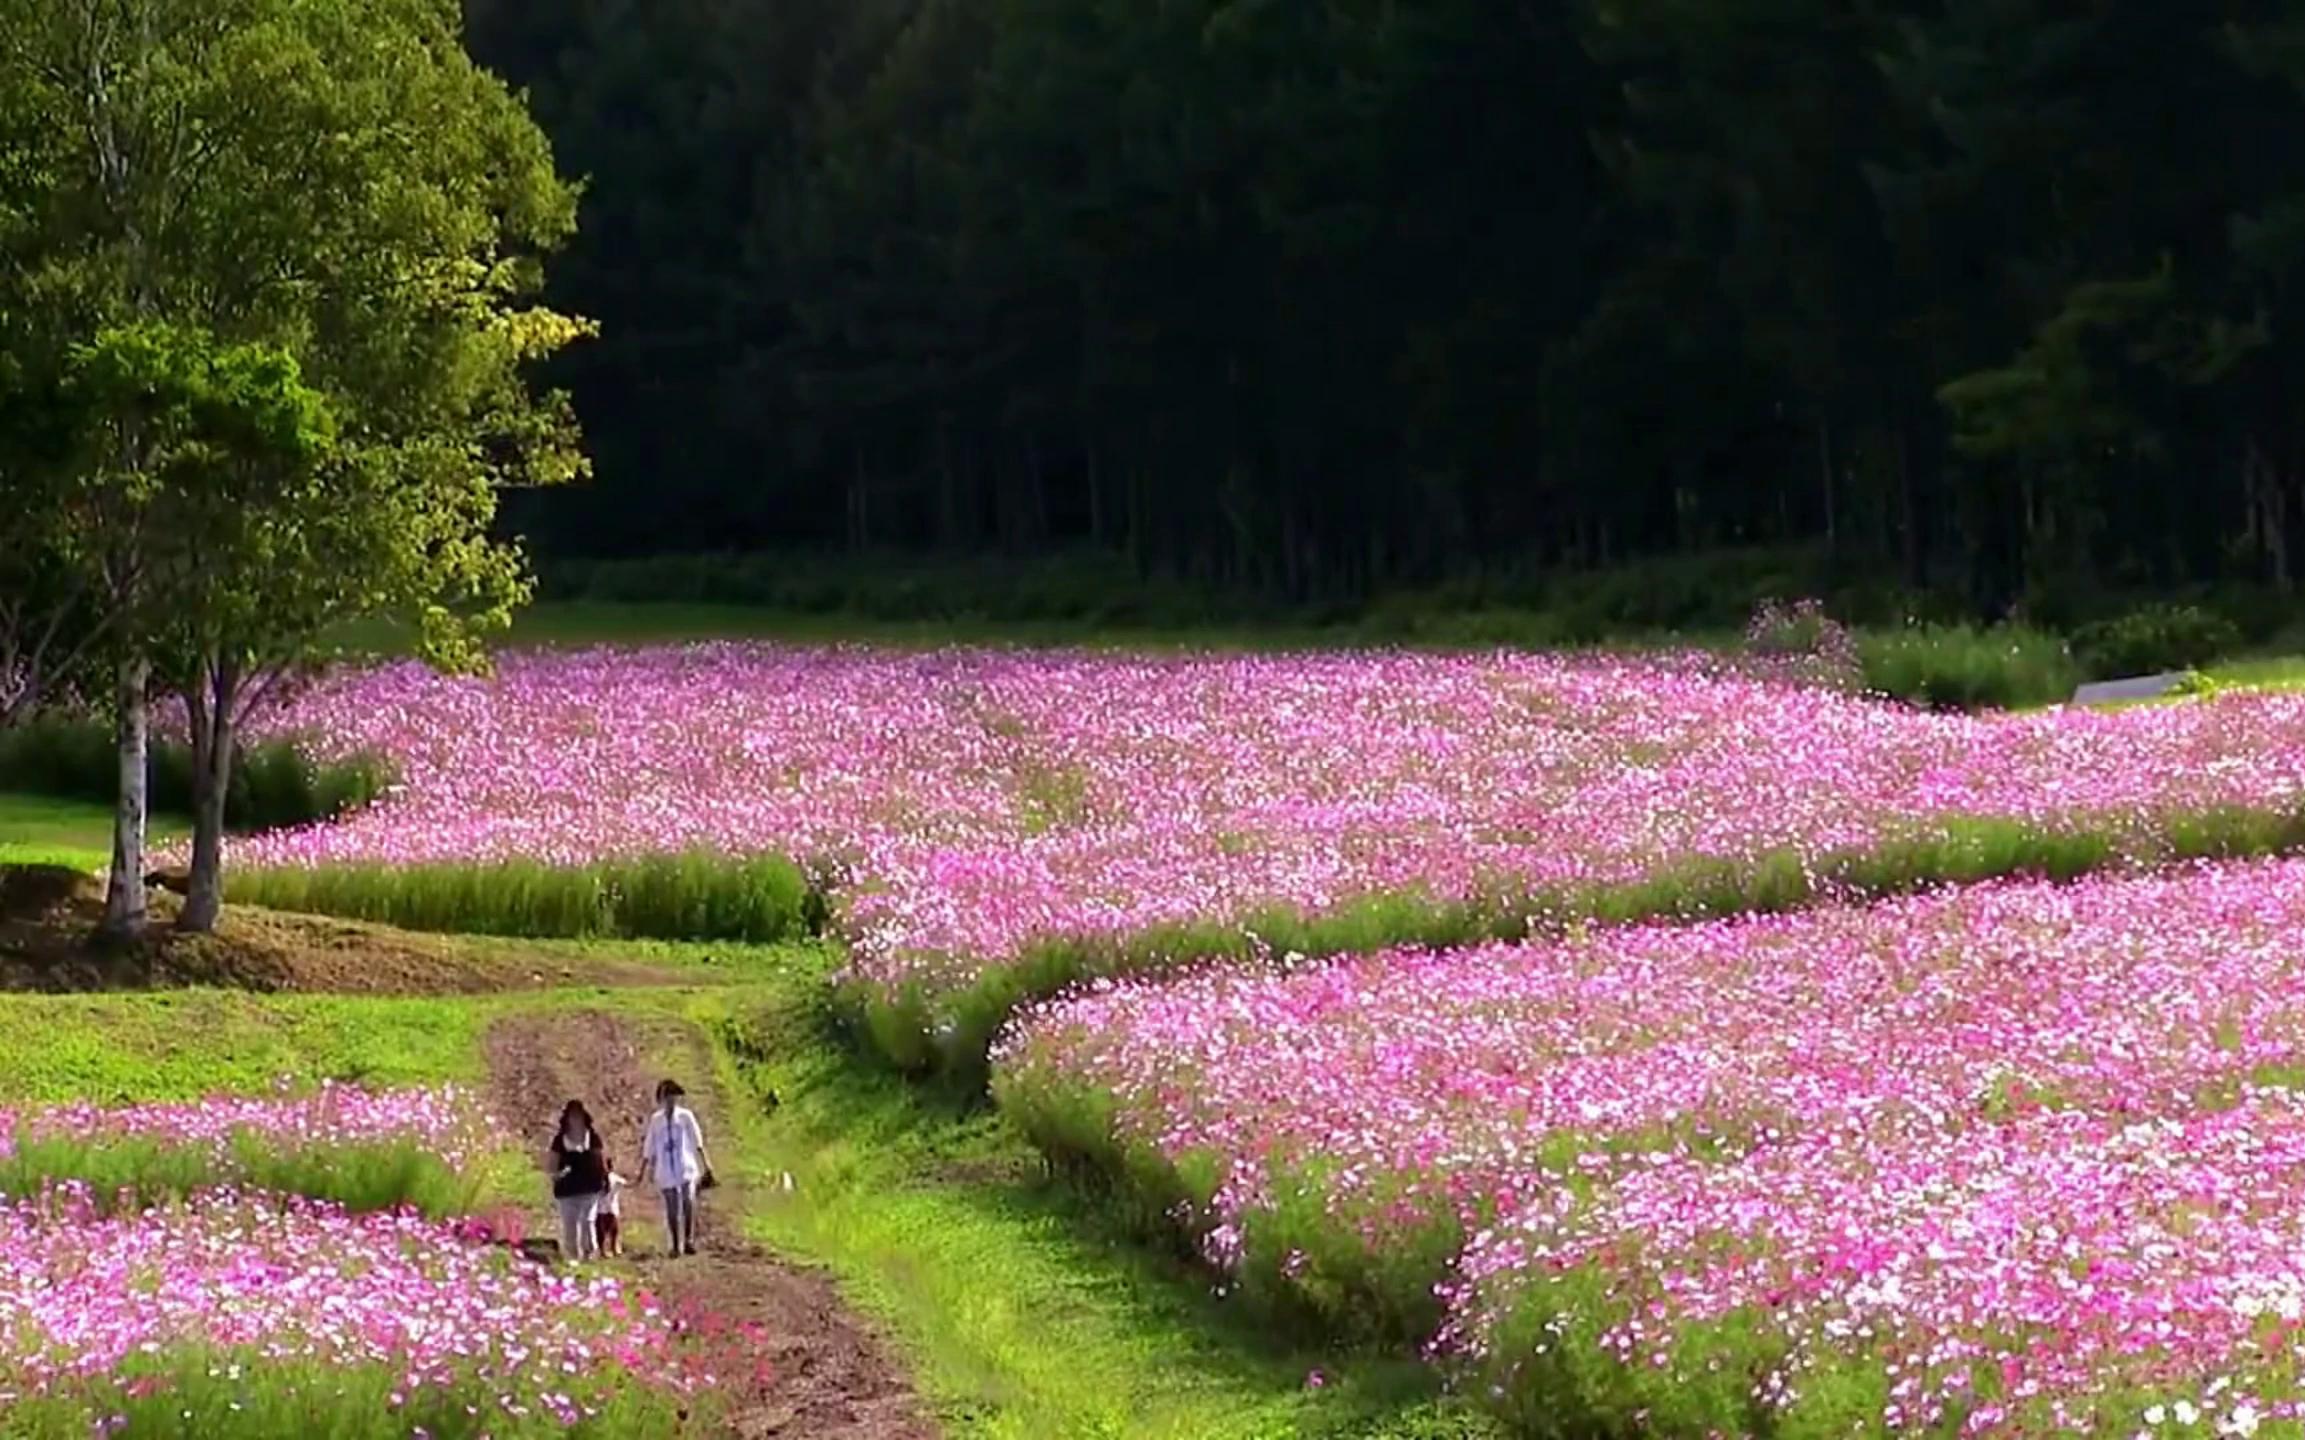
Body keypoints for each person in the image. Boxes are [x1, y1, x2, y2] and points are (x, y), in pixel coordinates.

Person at [639, 1078, 713, 1257]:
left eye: (673, 1097)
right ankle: (674, 1243)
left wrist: (707, 1164)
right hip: (665, 1169)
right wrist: (642, 1170)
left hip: (685, 1165)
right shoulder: (656, 1121)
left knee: (688, 1201)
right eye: (667, 1098)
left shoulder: (685, 1117)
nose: (670, 1102)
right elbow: (649, 1147)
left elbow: (697, 1140)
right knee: (672, 1207)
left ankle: (689, 1240)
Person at [548, 1099, 610, 1262]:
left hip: (589, 1187)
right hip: (567, 1189)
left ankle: (589, 1253)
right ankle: (572, 1256)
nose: (575, 1120)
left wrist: (605, 1178)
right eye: (572, 1116)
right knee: (570, 1224)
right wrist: (557, 1175)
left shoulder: (593, 1137)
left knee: (587, 1221)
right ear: (567, 1119)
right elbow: (552, 1164)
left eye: (578, 1116)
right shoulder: (559, 1141)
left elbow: (600, 1159)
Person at [596, 1167, 629, 1258]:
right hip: (602, 1208)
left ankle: (612, 1247)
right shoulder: (598, 1178)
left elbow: (624, 1183)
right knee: (602, 1230)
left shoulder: (613, 1178)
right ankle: (604, 1249)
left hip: (609, 1208)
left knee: (613, 1229)